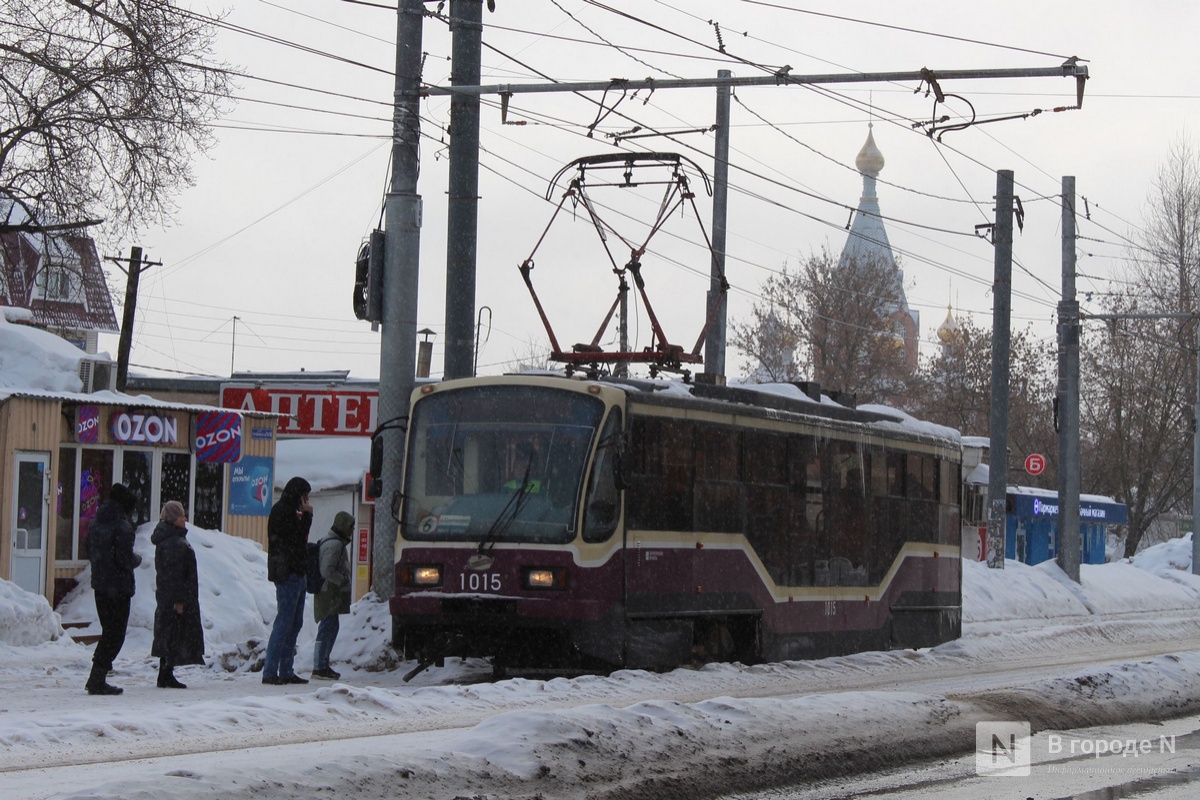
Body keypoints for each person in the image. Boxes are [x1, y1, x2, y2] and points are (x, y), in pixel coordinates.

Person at [85, 482, 141, 695]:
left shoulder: (97, 524)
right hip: (119, 587)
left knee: (108, 631)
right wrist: (136, 559)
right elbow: (125, 558)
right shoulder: (122, 527)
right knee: (115, 635)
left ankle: (97, 675)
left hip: (100, 585)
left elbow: (90, 550)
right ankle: (97, 677)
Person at [262, 476, 313, 685]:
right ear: (298, 495)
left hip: (296, 572)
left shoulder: (288, 511)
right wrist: (307, 517)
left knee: (294, 623)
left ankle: (285, 670)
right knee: (285, 622)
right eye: (305, 496)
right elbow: (297, 538)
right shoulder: (283, 511)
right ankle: (271, 671)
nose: (306, 500)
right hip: (288, 573)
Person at [150, 501, 204, 689]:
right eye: (182, 516)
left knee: (169, 633)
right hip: (175, 597)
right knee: (173, 633)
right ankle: (165, 673)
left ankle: (165, 672)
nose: (185, 519)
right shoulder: (174, 543)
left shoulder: (169, 539)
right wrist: (180, 600)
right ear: (174, 519)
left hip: (167, 596)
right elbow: (176, 575)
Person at [311, 511, 354, 680]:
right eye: (351, 526)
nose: (352, 530)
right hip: (328, 593)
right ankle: (319, 666)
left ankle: (322, 664)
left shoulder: (331, 542)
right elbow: (326, 570)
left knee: (330, 627)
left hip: (328, 593)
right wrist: (342, 580)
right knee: (327, 628)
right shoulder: (335, 545)